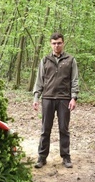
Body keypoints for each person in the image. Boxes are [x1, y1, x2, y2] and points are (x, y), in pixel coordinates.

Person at [33, 32, 79, 169]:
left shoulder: (70, 60)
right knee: (45, 129)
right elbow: (39, 80)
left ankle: (66, 156)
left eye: (59, 43)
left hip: (64, 99)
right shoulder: (45, 60)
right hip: (47, 97)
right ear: (50, 44)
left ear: (63, 43)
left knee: (64, 129)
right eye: (54, 43)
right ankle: (42, 157)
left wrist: (73, 97)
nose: (56, 46)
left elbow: (74, 80)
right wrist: (36, 97)